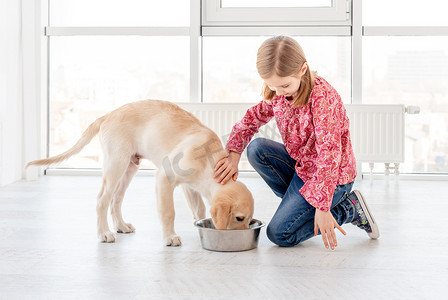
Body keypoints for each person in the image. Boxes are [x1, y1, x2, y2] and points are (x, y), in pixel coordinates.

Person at [213, 36, 379, 250]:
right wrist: (233, 156)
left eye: (284, 85)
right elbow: (251, 118)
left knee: (279, 233)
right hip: (303, 170)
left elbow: (329, 155)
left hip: (333, 178)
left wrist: (323, 206)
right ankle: (301, 208)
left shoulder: (322, 98)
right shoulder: (278, 94)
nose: (279, 92)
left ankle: (347, 208)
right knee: (257, 149)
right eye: (272, 86)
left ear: (303, 69)